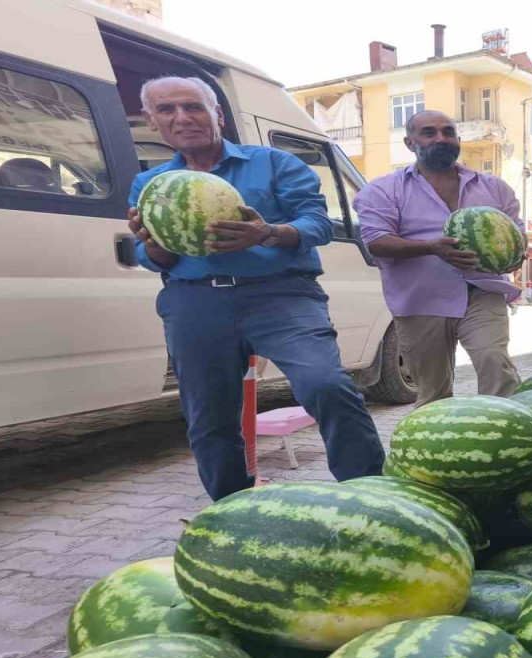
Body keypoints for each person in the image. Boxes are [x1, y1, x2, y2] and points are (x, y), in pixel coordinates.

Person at [127, 76, 384, 501]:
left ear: (217, 115)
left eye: (192, 106)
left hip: (280, 294)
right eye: (167, 109)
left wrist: (266, 233)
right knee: (208, 415)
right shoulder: (151, 183)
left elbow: (318, 224)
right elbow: (154, 257)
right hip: (196, 300)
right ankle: (231, 506)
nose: (182, 117)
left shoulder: (274, 163)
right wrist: (153, 246)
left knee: (326, 385)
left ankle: (371, 495)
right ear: (152, 120)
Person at [354, 110, 523, 407]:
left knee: (495, 362)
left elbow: (517, 237)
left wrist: (514, 257)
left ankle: (508, 438)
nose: (441, 138)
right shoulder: (383, 190)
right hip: (421, 299)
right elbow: (377, 242)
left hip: (482, 291)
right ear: (410, 143)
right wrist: (433, 247)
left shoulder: (494, 188)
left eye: (448, 132)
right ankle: (434, 448)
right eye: (429, 132)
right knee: (433, 390)